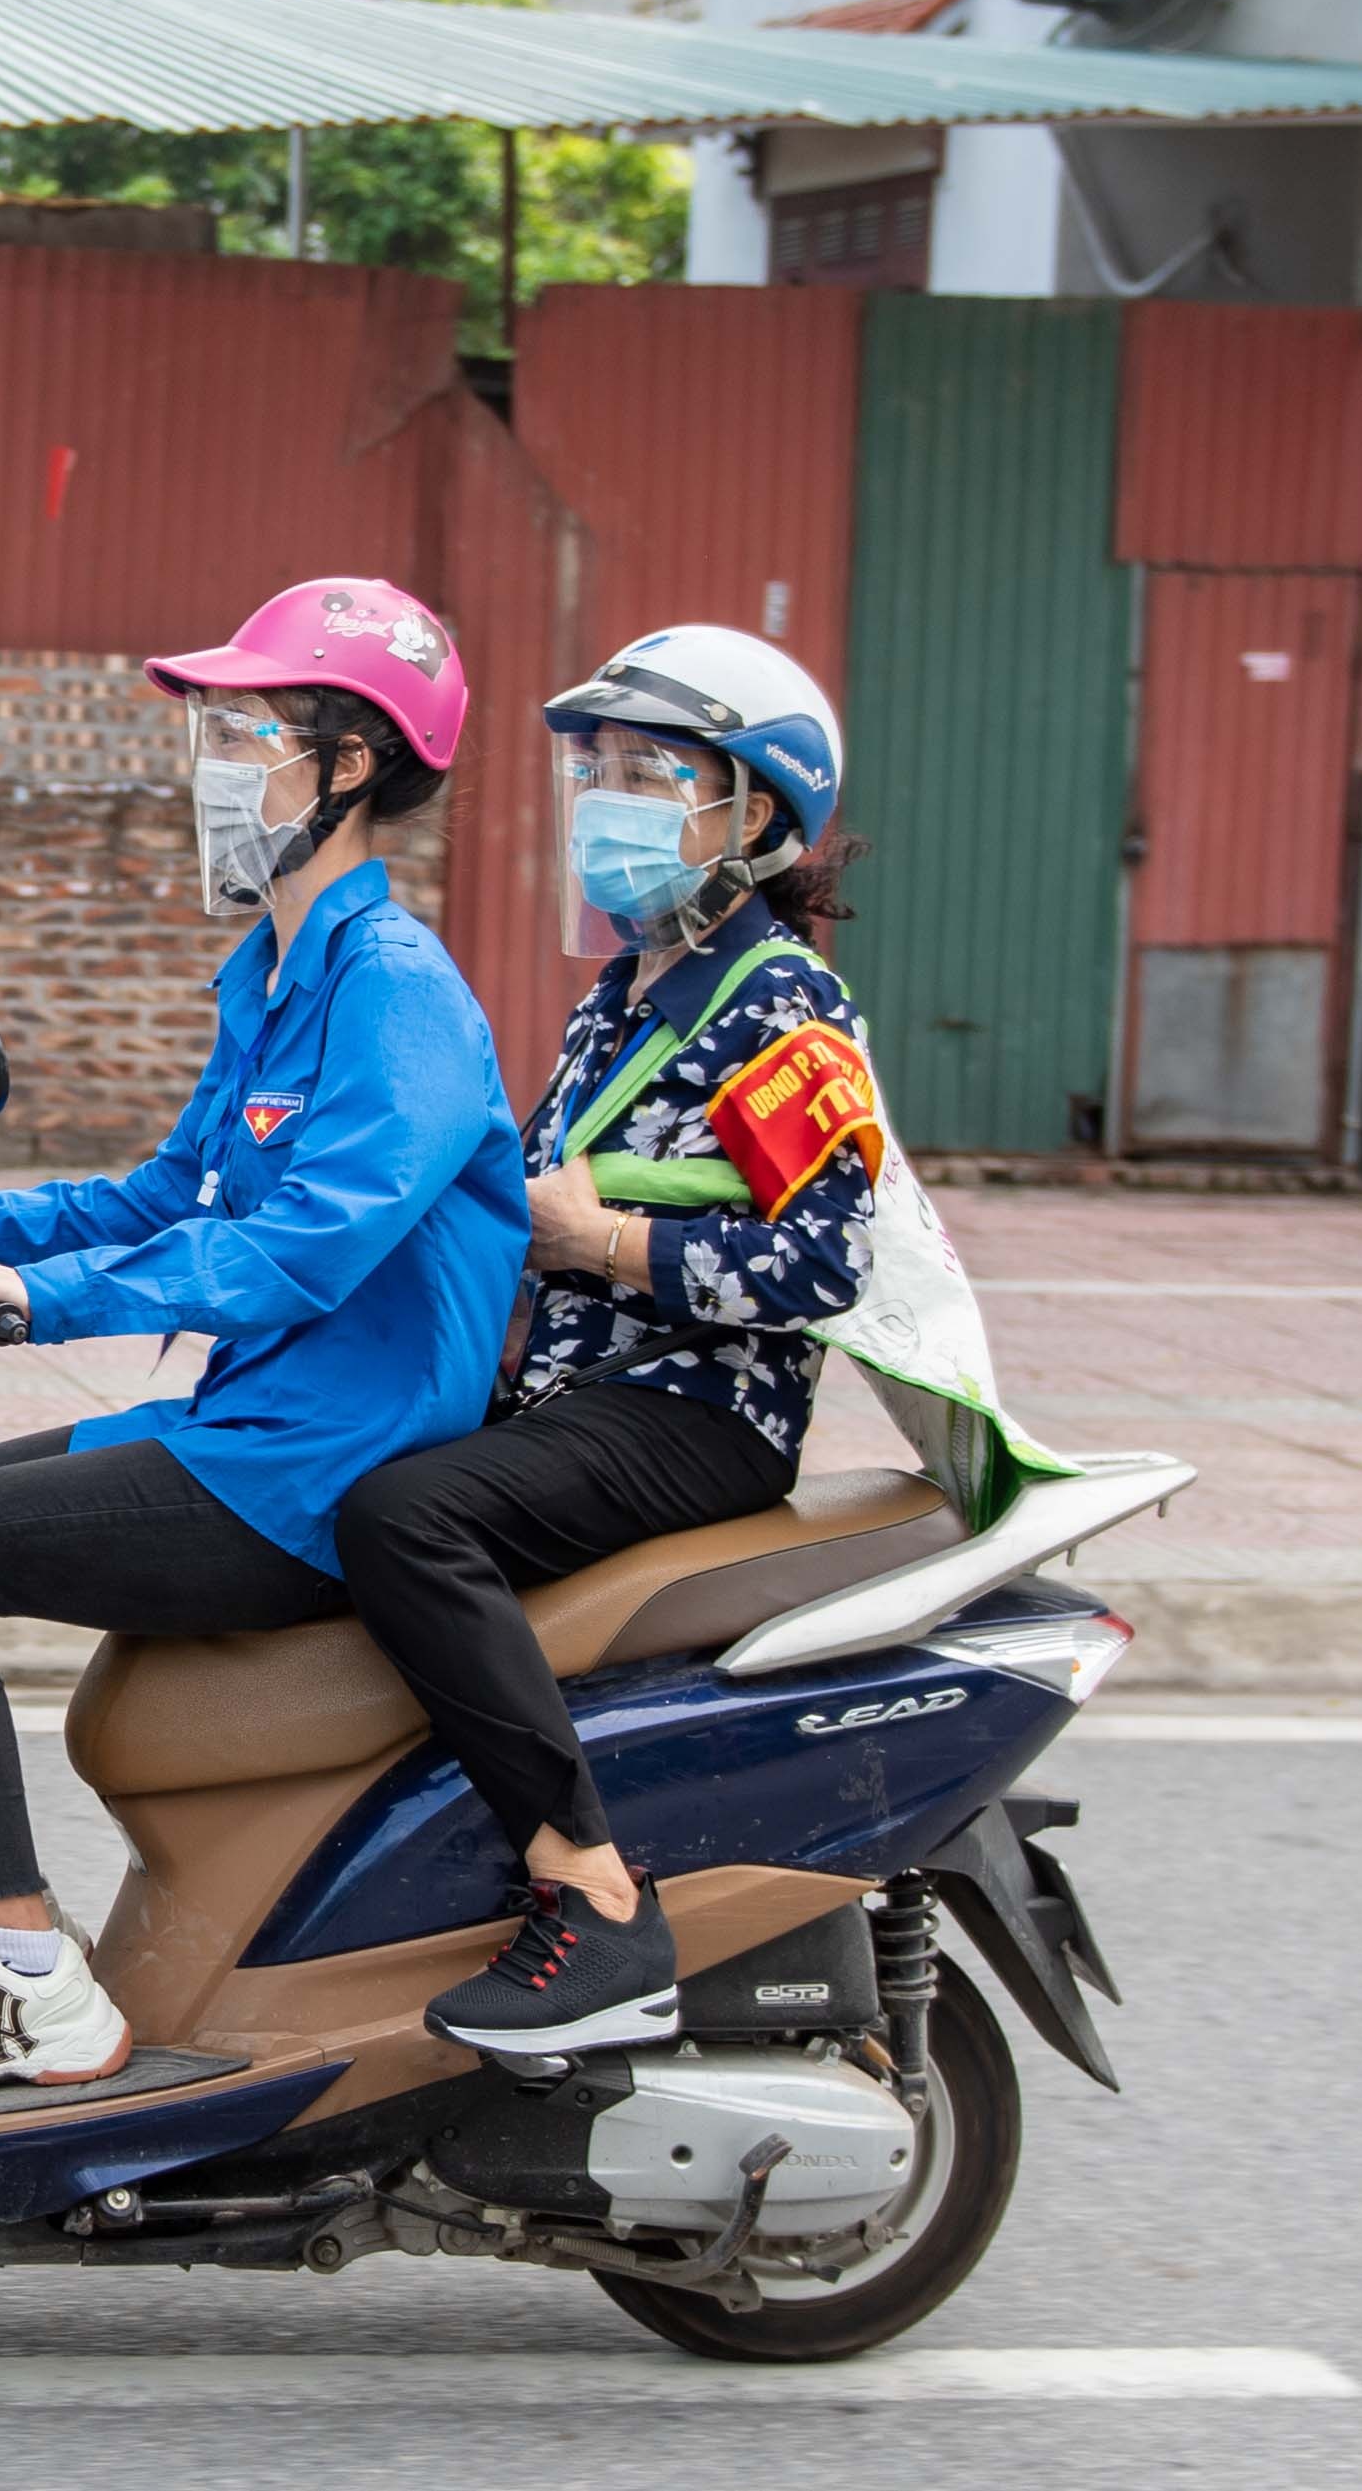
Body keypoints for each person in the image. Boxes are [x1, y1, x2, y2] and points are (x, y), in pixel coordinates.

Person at [0, 577, 529, 2107]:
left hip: (323, 1474)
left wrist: (37, 1300)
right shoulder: (275, 975)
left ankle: (18, 1969)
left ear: (346, 765)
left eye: (245, 731)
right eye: (213, 728)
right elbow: (163, 1189)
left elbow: (304, 1246)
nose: (210, 763)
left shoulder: (397, 991)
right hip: (243, 1435)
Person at [334, 622, 887, 2061]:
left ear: (752, 811)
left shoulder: (782, 999)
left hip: (697, 1410)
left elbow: (824, 1261)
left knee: (406, 1519)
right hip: (575, 1395)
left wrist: (608, 1244)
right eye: (600, 769)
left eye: (652, 770)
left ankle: (593, 1890)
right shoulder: (622, 992)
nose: (609, 800)